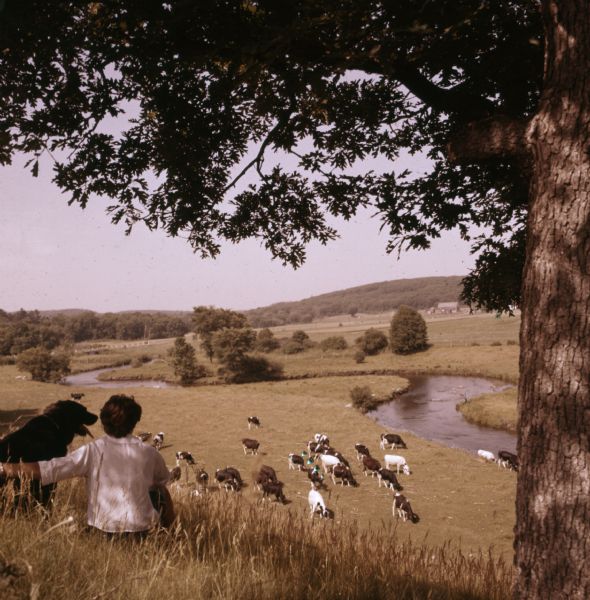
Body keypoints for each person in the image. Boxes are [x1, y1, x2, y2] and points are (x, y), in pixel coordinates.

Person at [0, 394, 175, 534]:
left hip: (104, 530)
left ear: (104, 423)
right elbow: (163, 483)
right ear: (135, 422)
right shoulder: (150, 452)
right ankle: (168, 533)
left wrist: (4, 468)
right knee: (159, 491)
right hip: (144, 531)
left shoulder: (92, 451)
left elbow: (48, 470)